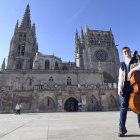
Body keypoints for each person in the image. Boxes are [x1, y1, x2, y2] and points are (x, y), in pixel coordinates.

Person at [118, 46, 140, 137]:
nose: (126, 52)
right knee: (123, 107)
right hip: (125, 85)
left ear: (130, 52)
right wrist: (119, 88)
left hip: (136, 84)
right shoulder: (122, 64)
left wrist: (132, 70)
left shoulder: (136, 59)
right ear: (122, 54)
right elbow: (120, 77)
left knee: (139, 106)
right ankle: (121, 129)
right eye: (124, 52)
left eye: (127, 51)